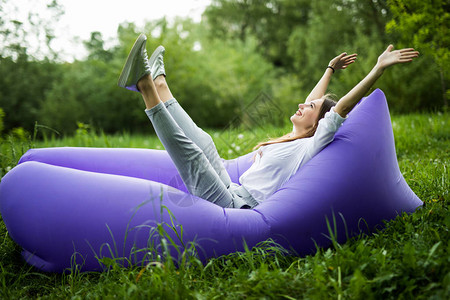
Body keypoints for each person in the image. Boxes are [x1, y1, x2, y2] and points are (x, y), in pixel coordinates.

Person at [118, 33, 419, 209]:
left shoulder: (310, 146)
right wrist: (329, 69)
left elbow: (339, 108)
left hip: (236, 207)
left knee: (194, 158)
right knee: (207, 143)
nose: (302, 105)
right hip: (232, 187)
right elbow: (315, 100)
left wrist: (377, 69)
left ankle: (145, 88)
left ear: (319, 123)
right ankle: (160, 84)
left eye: (309, 108)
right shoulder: (295, 137)